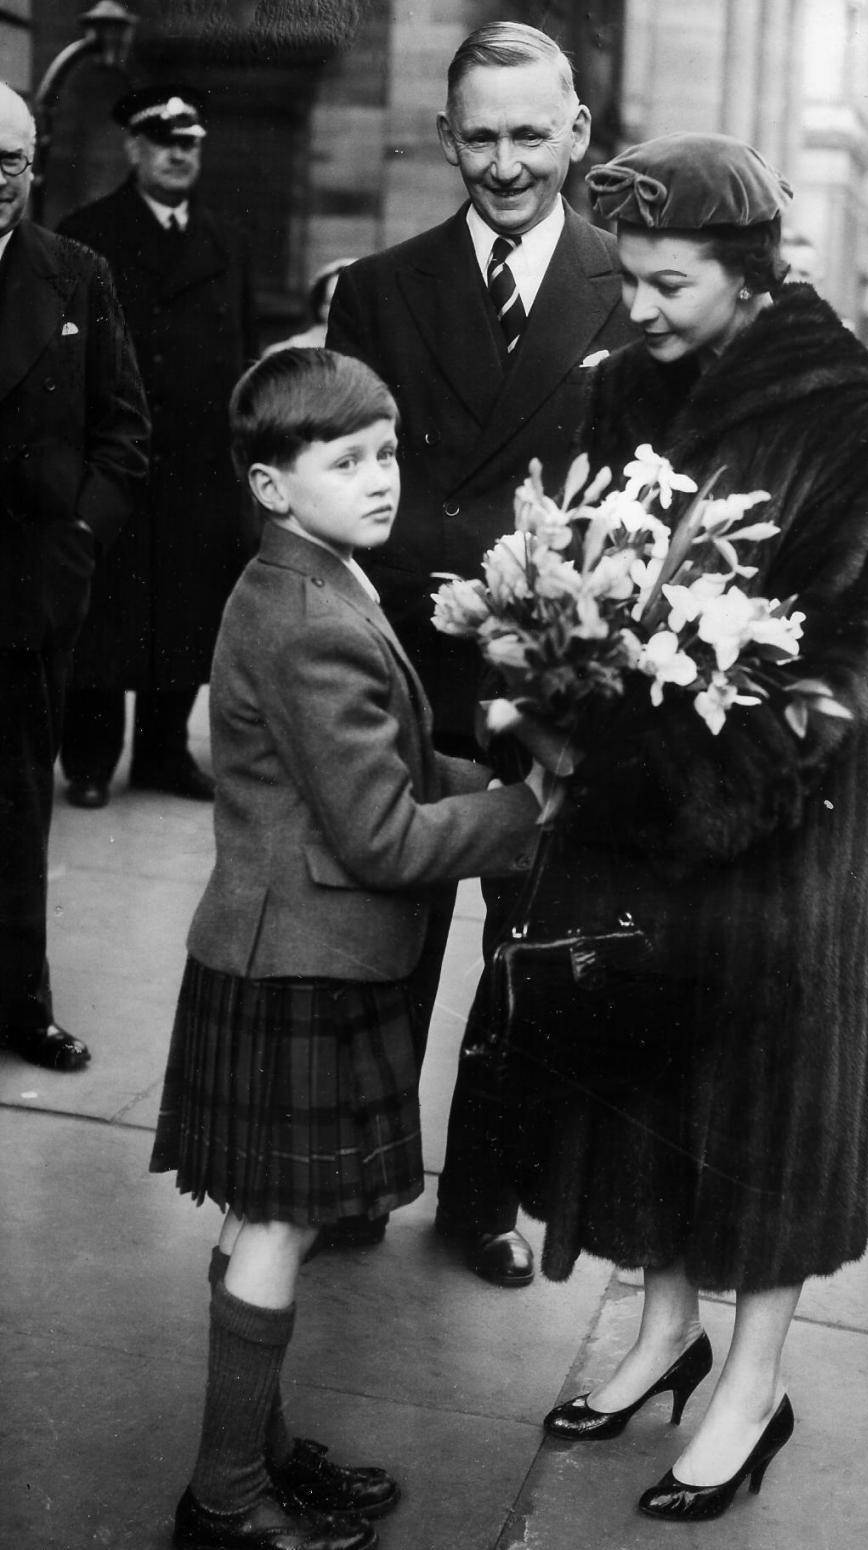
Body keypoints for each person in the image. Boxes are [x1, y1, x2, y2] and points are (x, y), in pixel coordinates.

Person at [506, 132, 868, 1522]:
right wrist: (559, 702)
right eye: (629, 281)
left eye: (670, 283)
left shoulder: (843, 409)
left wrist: (747, 766)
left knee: (764, 1104)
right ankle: (665, 1329)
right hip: (633, 803)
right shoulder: (619, 387)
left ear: (749, 274)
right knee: (646, 1082)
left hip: (774, 827)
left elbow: (857, 644)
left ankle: (754, 1379)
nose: (642, 309)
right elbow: (567, 570)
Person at [148, 348, 542, 1550]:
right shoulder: (315, 611)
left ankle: (254, 1451)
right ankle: (226, 1501)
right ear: (272, 484)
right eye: (346, 460)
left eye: (386, 452)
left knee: (269, 1219)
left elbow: (395, 769)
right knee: (275, 1224)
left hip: (285, 945)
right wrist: (532, 817)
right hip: (302, 959)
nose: (381, 478)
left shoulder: (319, 578)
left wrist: (505, 775)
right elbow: (379, 832)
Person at [326, 21, 636, 1283]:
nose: (505, 164)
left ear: (574, 132)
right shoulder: (380, 288)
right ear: (445, 136)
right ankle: (354, 1177)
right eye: (481, 137)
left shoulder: (632, 286)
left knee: (526, 956)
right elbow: (341, 474)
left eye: (530, 135)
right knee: (382, 941)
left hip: (548, 686)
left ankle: (482, 1199)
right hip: (399, 670)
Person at [0, 82, 148, 1073]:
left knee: (14, 808)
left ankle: (19, 1002)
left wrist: (77, 542)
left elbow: (126, 432)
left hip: (24, 595)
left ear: (35, 164)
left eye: (8, 161)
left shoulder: (75, 274)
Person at [57, 84, 258, 809]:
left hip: (200, 466)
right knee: (106, 615)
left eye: (191, 143)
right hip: (118, 461)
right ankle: (88, 761)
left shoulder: (224, 240)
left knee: (185, 612)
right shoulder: (88, 235)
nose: (180, 154)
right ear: (134, 149)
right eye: (165, 142)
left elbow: (244, 347)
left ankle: (164, 755)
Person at [267, 258, 353, 353]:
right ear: (320, 307)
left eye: (350, 303)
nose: (342, 312)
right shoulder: (288, 352)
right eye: (331, 303)